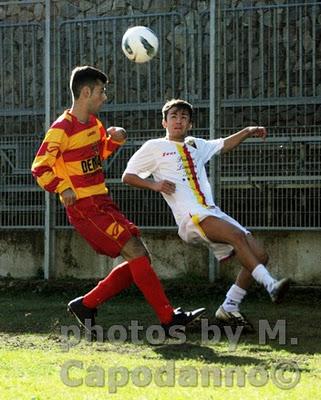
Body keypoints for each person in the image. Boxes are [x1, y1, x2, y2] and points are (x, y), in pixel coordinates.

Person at [31, 69, 205, 338]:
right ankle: (169, 320)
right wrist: (62, 187)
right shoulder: (60, 129)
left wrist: (115, 140)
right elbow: (40, 167)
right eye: (101, 91)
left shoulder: (94, 124)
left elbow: (98, 155)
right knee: (136, 251)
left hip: (102, 201)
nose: (105, 97)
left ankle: (86, 305)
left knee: (140, 256)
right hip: (84, 207)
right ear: (86, 92)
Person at [122, 98, 290, 331]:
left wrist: (249, 130)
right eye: (174, 116)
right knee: (236, 237)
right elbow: (128, 176)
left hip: (211, 212)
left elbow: (223, 144)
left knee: (260, 255)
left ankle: (229, 308)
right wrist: (155, 185)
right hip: (190, 218)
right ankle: (271, 285)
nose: (178, 121)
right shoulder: (154, 147)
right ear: (164, 122)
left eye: (183, 117)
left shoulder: (195, 145)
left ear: (190, 124)